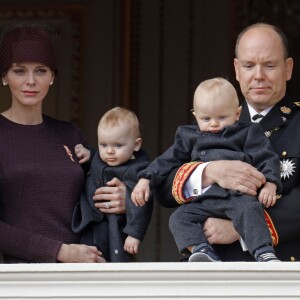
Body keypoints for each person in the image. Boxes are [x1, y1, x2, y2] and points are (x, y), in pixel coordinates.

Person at [160, 23, 300, 262]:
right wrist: (209, 172)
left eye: (269, 65)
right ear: (237, 69)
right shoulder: (213, 120)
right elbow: (163, 187)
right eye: (248, 66)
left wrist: (239, 229)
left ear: (288, 69)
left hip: (280, 272)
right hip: (213, 270)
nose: (258, 75)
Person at [0, 23, 126, 263]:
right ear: (4, 76)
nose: (31, 81)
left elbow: (100, 193)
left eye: (40, 70)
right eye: (19, 71)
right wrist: (59, 251)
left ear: (53, 77)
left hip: (87, 270)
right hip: (25, 280)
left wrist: (124, 199)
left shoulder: (69, 134)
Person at [132, 77, 281, 262]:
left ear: (237, 113)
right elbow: (167, 160)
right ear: (195, 116)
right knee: (178, 219)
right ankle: (202, 251)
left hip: (237, 196)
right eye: (206, 118)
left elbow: (266, 157)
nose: (213, 124)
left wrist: (271, 184)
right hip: (204, 199)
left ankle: (264, 252)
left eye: (221, 117)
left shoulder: (248, 132)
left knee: (251, 210)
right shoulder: (189, 136)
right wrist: (145, 178)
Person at [72, 107, 153, 262]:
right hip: (90, 223)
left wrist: (135, 233)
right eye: (103, 145)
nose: (109, 151)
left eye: (117, 146)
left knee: (117, 258)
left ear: (136, 145)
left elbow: (143, 205)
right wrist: (88, 154)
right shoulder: (100, 158)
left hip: (116, 227)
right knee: (89, 256)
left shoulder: (138, 171)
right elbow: (96, 160)